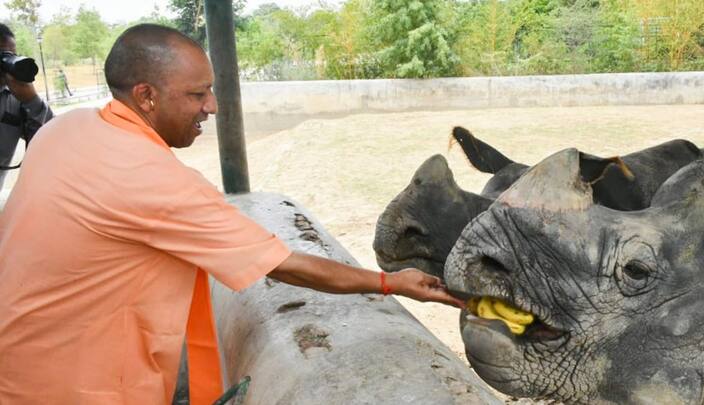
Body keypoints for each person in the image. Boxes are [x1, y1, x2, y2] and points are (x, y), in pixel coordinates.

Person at [0, 24, 463, 404]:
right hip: (81, 390)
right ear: (146, 96)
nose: (211, 107)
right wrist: (390, 283)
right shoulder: (153, 179)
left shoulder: (68, 127)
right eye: (197, 94)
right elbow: (285, 265)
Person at [0, 23, 53, 188]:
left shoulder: (17, 98)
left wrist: (32, 100)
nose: (5, 63)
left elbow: (53, 138)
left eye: (10, 55)